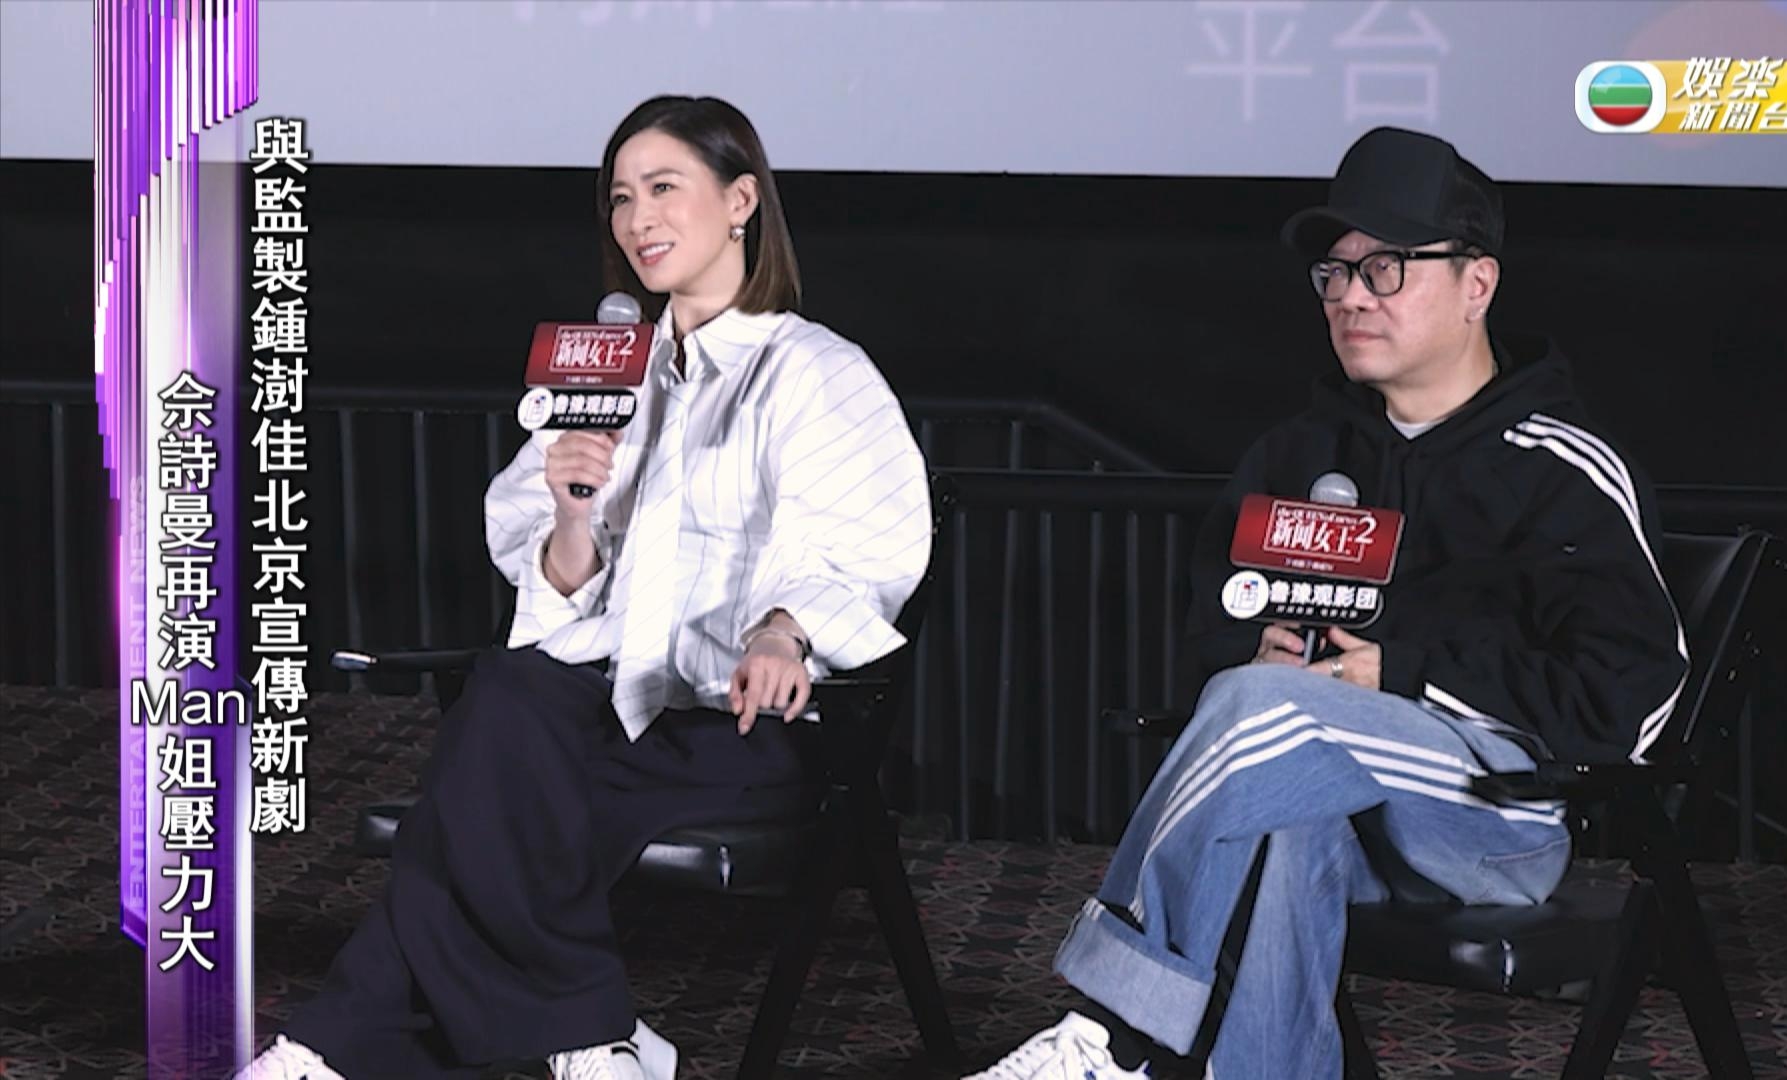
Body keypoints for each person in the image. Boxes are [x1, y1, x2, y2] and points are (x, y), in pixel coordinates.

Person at [967, 127, 1687, 1079]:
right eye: (1336, 272)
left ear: (1477, 284)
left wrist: (1405, 675)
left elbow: (1637, 702)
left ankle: (1120, 1034)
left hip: (1492, 815)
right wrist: (1253, 655)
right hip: (1318, 793)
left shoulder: (1559, 467)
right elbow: (1218, 626)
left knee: (1272, 719)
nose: (1351, 295)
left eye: (1386, 268)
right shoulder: (1300, 455)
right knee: (1280, 818)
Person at [240, 95, 933, 1080]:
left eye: (664, 188)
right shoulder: (612, 375)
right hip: (596, 712)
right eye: (620, 198)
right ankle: (591, 1039)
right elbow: (554, 594)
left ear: (741, 201)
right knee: (511, 693)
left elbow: (856, 545)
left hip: (733, 726)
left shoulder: (815, 371)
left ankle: (331, 1055)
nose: (638, 219)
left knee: (469, 811)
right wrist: (573, 511)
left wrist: (783, 631)